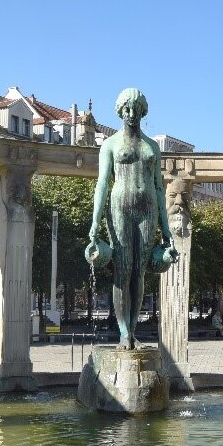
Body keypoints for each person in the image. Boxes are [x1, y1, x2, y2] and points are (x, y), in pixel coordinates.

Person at [86, 89, 177, 350]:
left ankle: (132, 329)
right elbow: (102, 184)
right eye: (126, 109)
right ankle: (123, 331)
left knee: (140, 271)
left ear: (142, 111)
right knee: (122, 270)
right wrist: (94, 223)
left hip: (147, 208)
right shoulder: (111, 144)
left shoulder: (151, 147)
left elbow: (159, 187)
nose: (131, 114)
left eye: (135, 109)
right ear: (120, 111)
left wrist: (166, 228)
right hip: (119, 208)